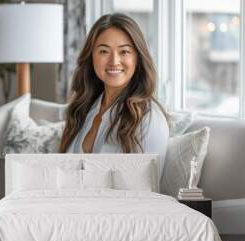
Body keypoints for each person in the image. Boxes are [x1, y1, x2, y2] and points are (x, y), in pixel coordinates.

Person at [59, 13, 169, 176]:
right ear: (91, 57)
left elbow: (145, 192)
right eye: (104, 51)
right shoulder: (83, 109)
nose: (114, 61)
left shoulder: (149, 118)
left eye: (124, 51)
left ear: (137, 58)